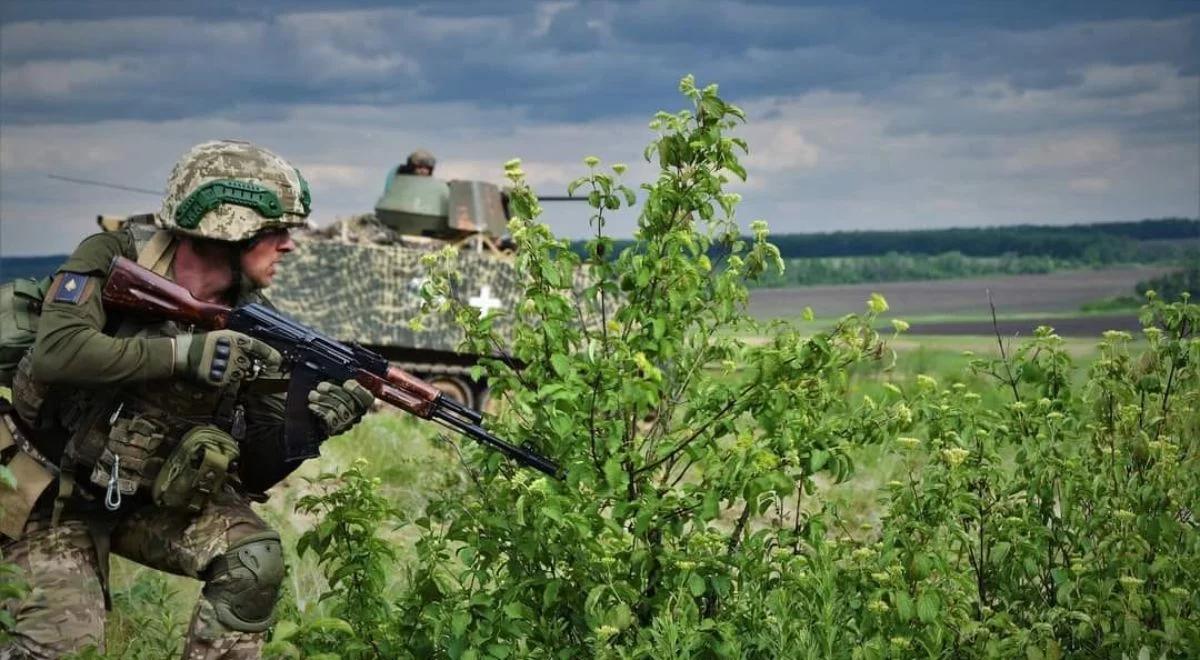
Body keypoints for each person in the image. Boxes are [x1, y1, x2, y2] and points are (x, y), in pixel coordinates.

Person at [0, 139, 375, 659]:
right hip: (42, 489)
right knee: (67, 650)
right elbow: (58, 353)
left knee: (253, 558)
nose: (289, 245)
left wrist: (308, 428)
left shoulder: (256, 321)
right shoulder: (115, 256)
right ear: (228, 228)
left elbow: (253, 472)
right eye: (275, 231)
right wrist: (183, 354)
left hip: (140, 496)